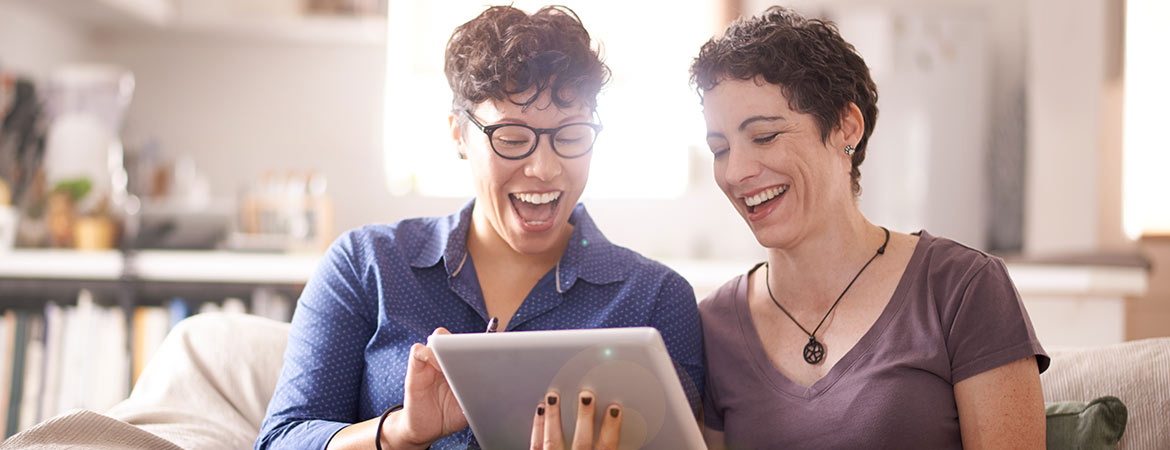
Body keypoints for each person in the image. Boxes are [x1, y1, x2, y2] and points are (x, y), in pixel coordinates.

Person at [256, 5, 703, 450]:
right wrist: (401, 432)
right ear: (458, 136)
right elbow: (281, 439)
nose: (545, 169)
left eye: (570, 137)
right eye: (511, 138)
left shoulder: (656, 299)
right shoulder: (366, 265)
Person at [690, 7, 1048, 449]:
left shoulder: (962, 289)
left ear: (847, 128)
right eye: (720, 148)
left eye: (764, 137)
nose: (736, 172)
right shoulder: (713, 325)